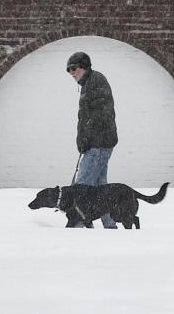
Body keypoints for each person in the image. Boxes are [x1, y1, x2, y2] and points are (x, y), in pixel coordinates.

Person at [66, 51, 118, 229]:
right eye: (69, 70)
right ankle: (110, 225)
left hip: (98, 145)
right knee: (99, 188)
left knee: (81, 188)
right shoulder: (89, 83)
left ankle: (77, 225)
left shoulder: (96, 81)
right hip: (98, 144)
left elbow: (101, 114)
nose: (72, 73)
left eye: (74, 68)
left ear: (84, 66)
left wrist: (87, 137)